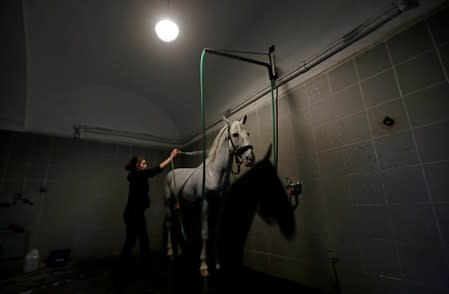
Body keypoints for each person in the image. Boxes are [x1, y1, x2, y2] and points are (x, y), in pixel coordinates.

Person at [116, 148, 180, 294]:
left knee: (131, 242)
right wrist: (171, 157)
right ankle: (146, 276)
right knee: (142, 243)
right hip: (134, 215)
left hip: (135, 215)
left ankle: (124, 270)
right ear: (138, 166)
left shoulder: (137, 175)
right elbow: (157, 169)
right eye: (144, 163)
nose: (146, 165)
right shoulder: (138, 174)